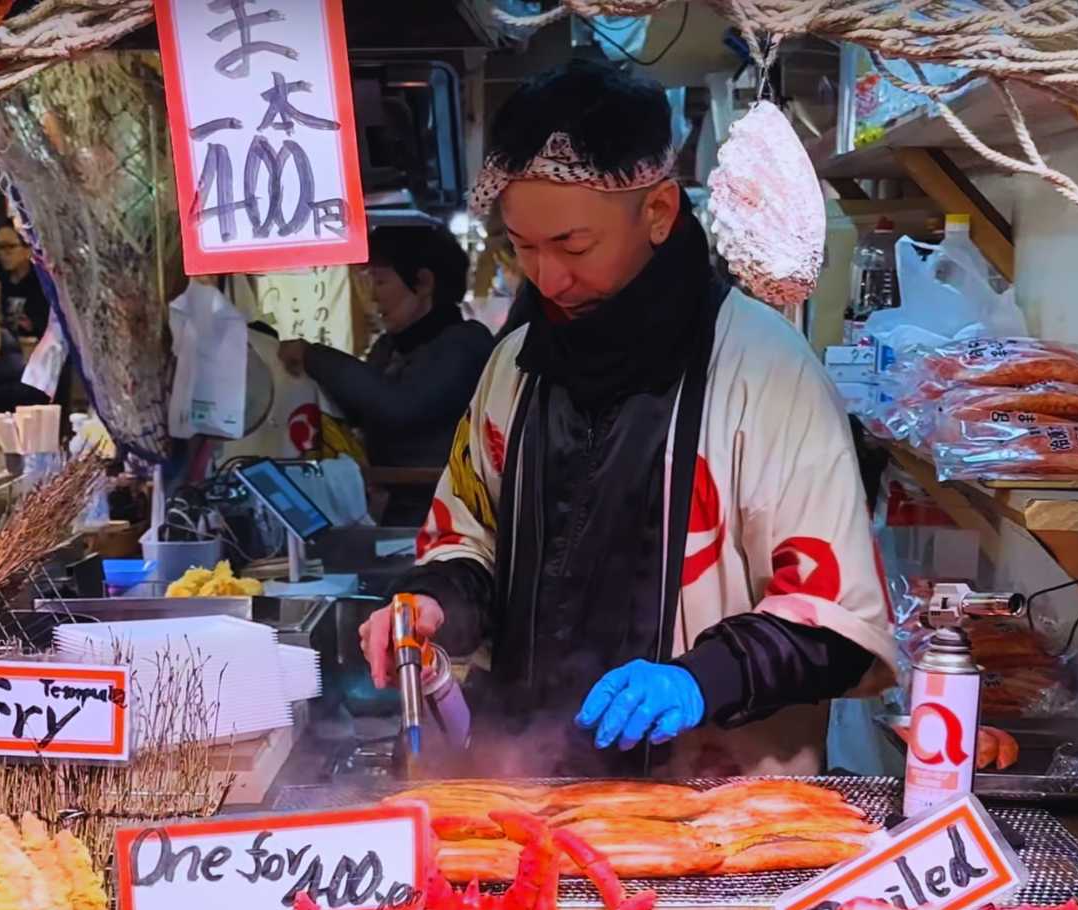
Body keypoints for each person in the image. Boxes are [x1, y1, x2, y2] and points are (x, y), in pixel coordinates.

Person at [363, 60, 895, 777]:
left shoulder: (767, 373)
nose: (548, 279)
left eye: (573, 247)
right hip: (525, 781)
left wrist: (699, 678)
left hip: (713, 798)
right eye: (523, 248)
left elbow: (836, 627)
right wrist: (431, 605)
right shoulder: (514, 365)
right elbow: (469, 539)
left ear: (659, 212)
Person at [277, 225, 495, 469]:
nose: (371, 296)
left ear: (424, 282)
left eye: (380, 281)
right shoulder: (388, 347)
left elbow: (397, 406)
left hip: (440, 501)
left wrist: (313, 356)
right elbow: (358, 410)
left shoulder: (464, 345)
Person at [0, 223, 51, 344]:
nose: (1, 253)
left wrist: (33, 326)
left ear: (28, 250)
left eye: (9, 247)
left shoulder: (42, 283)